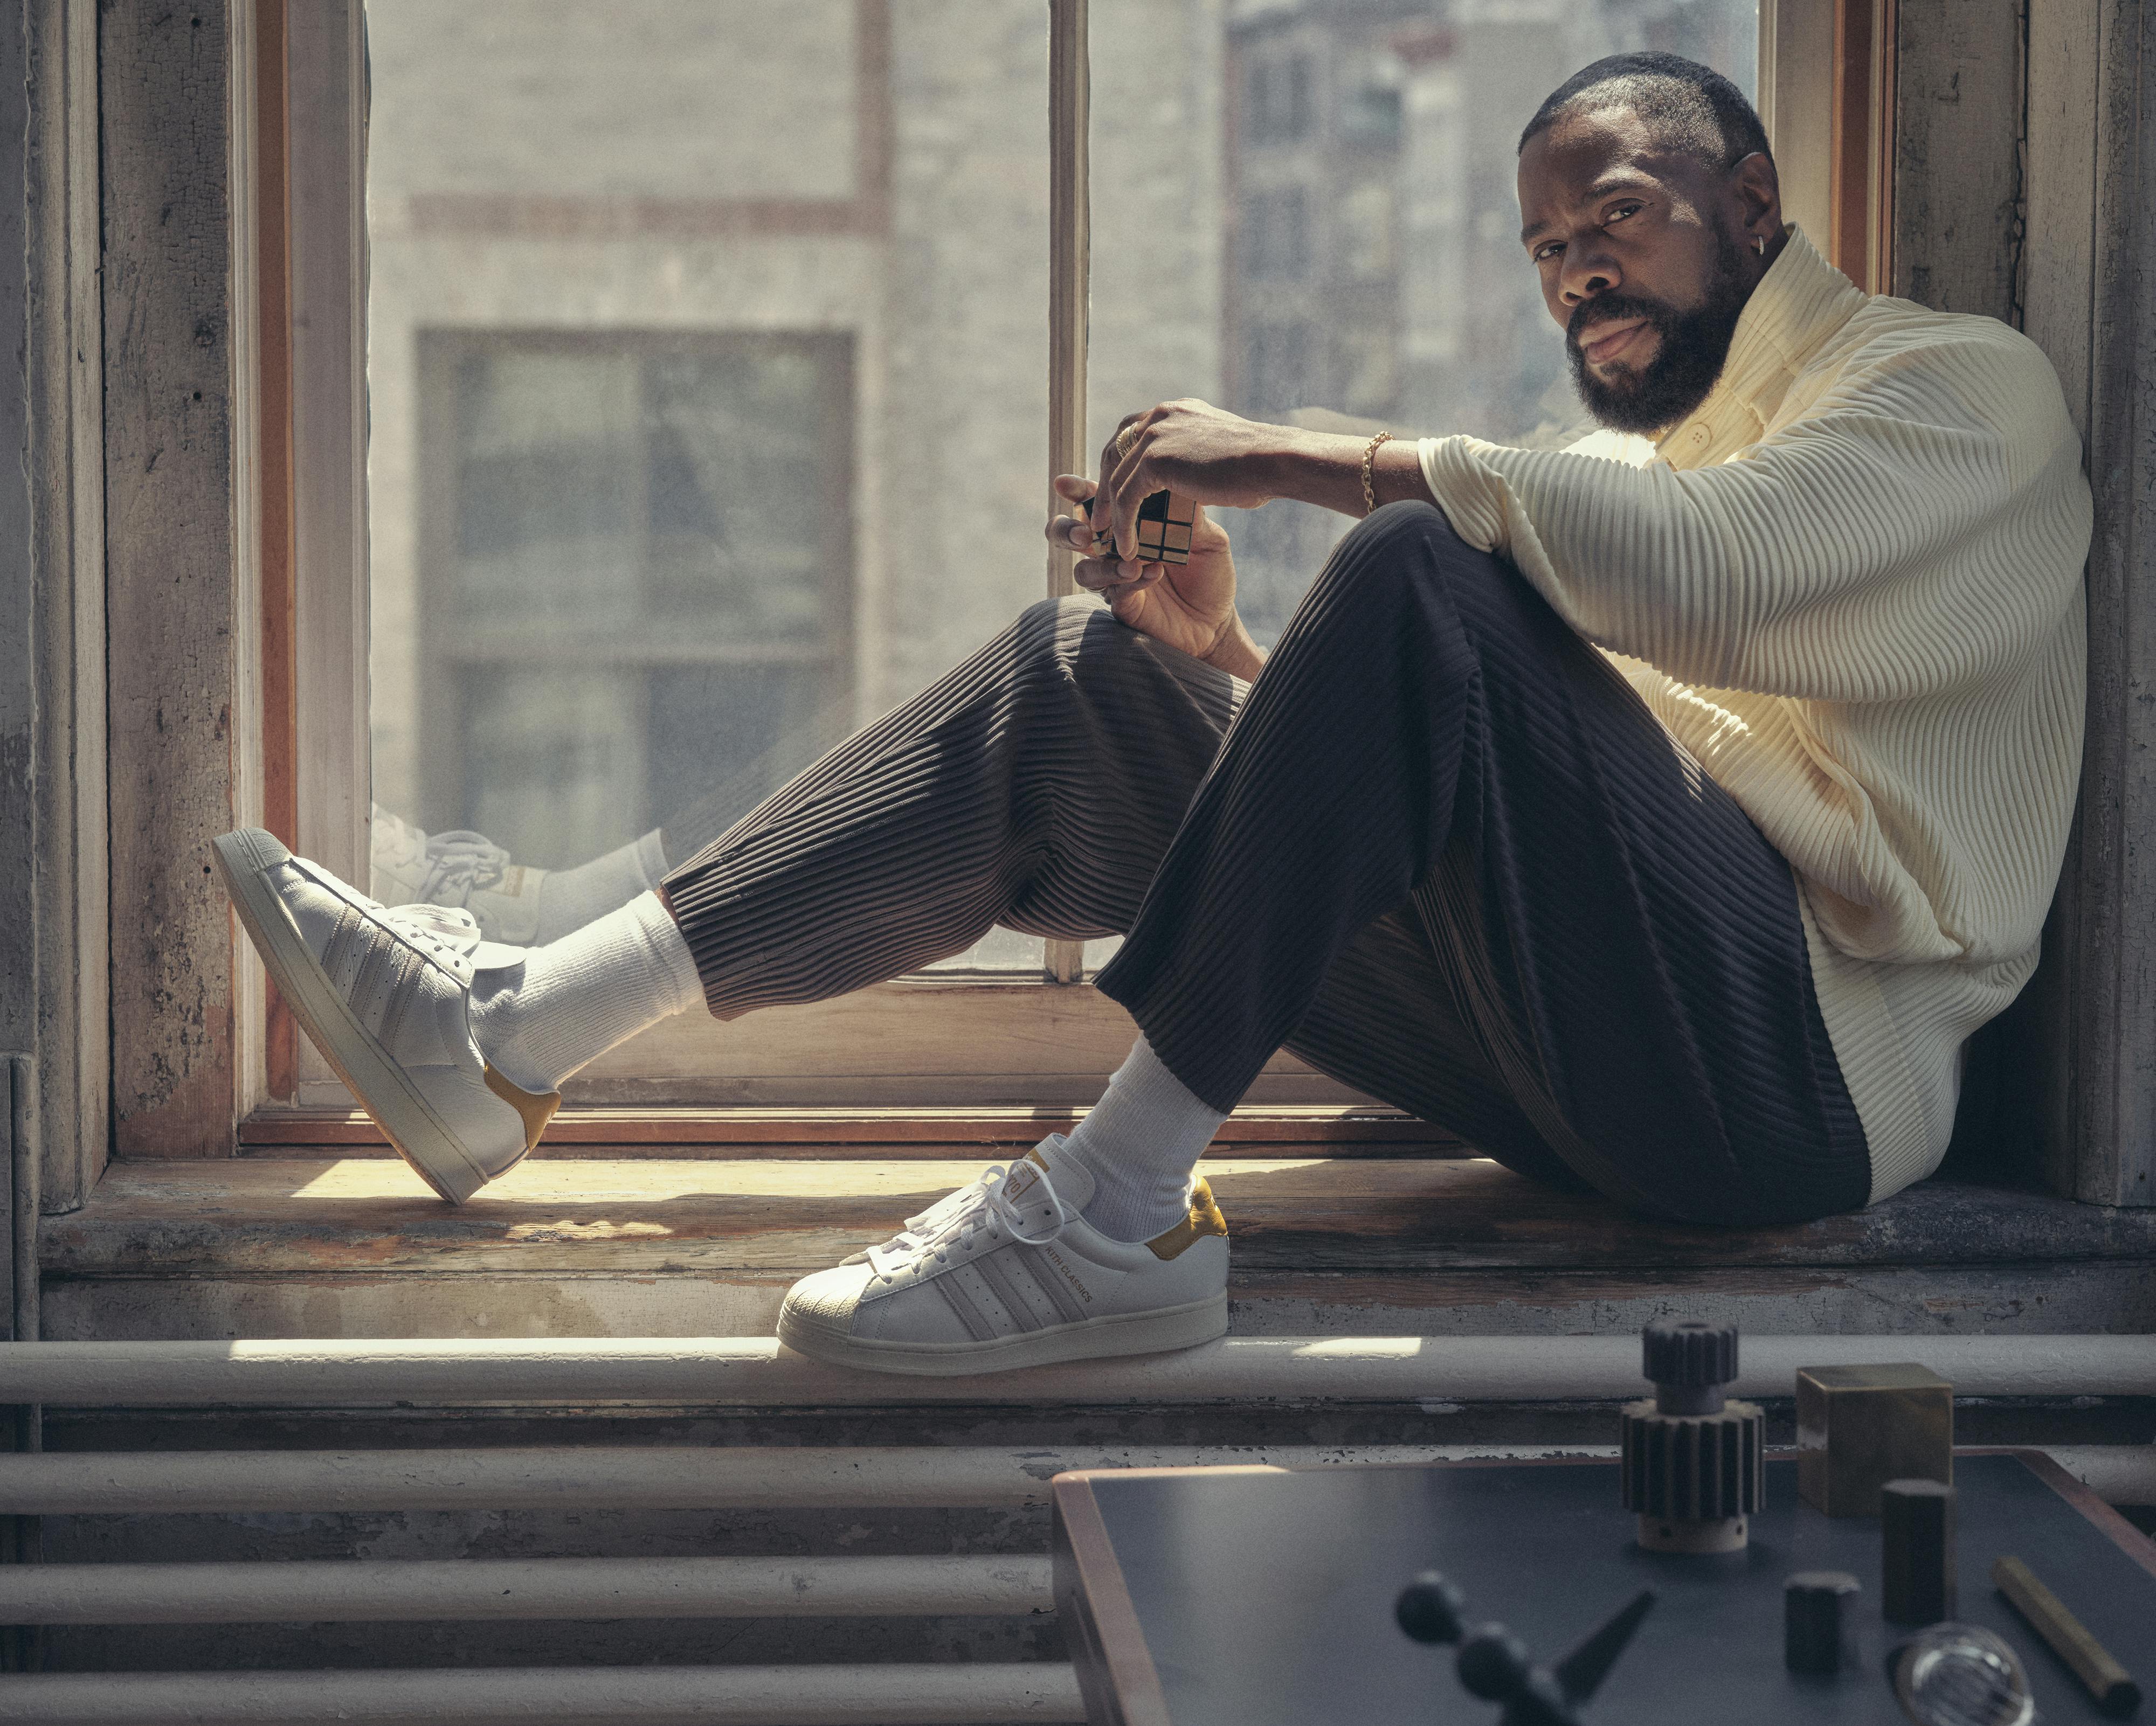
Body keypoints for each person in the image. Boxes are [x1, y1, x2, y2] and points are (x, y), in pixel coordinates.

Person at [216, 53, 2090, 1377]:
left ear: (1751, 201)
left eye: (1612, 218)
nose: (1576, 273)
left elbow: (1727, 568)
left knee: (1424, 566)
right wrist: (1236, 685)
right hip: (1607, 1046)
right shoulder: (1658, 469)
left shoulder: (1955, 395)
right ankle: (509, 1031)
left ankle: (1113, 1210)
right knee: (1081, 680)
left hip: (1794, 1093)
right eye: (1544, 251)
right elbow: (1547, 811)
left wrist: (1301, 457)